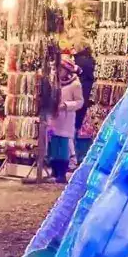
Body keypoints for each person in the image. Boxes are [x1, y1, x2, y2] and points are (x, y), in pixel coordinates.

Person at [44, 48, 85, 184]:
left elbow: (80, 102)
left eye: (61, 70)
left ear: (67, 70)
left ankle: (62, 173)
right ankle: (54, 171)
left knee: (63, 146)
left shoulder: (75, 84)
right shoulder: (56, 83)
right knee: (54, 144)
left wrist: (66, 105)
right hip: (55, 118)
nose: (59, 72)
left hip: (66, 119)